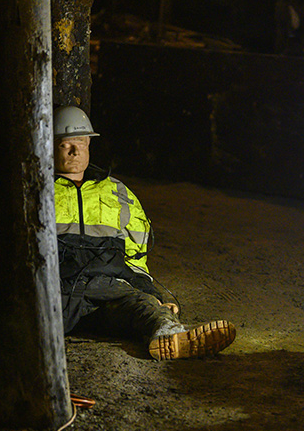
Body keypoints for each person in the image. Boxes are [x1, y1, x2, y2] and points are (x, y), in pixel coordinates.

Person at [52, 105, 236, 360]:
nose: (76, 150)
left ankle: (171, 334)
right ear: (50, 145)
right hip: (57, 289)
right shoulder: (37, 190)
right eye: (66, 144)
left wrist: (152, 293)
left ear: (90, 144)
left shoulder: (117, 193)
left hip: (108, 290)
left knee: (147, 306)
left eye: (82, 142)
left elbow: (134, 256)